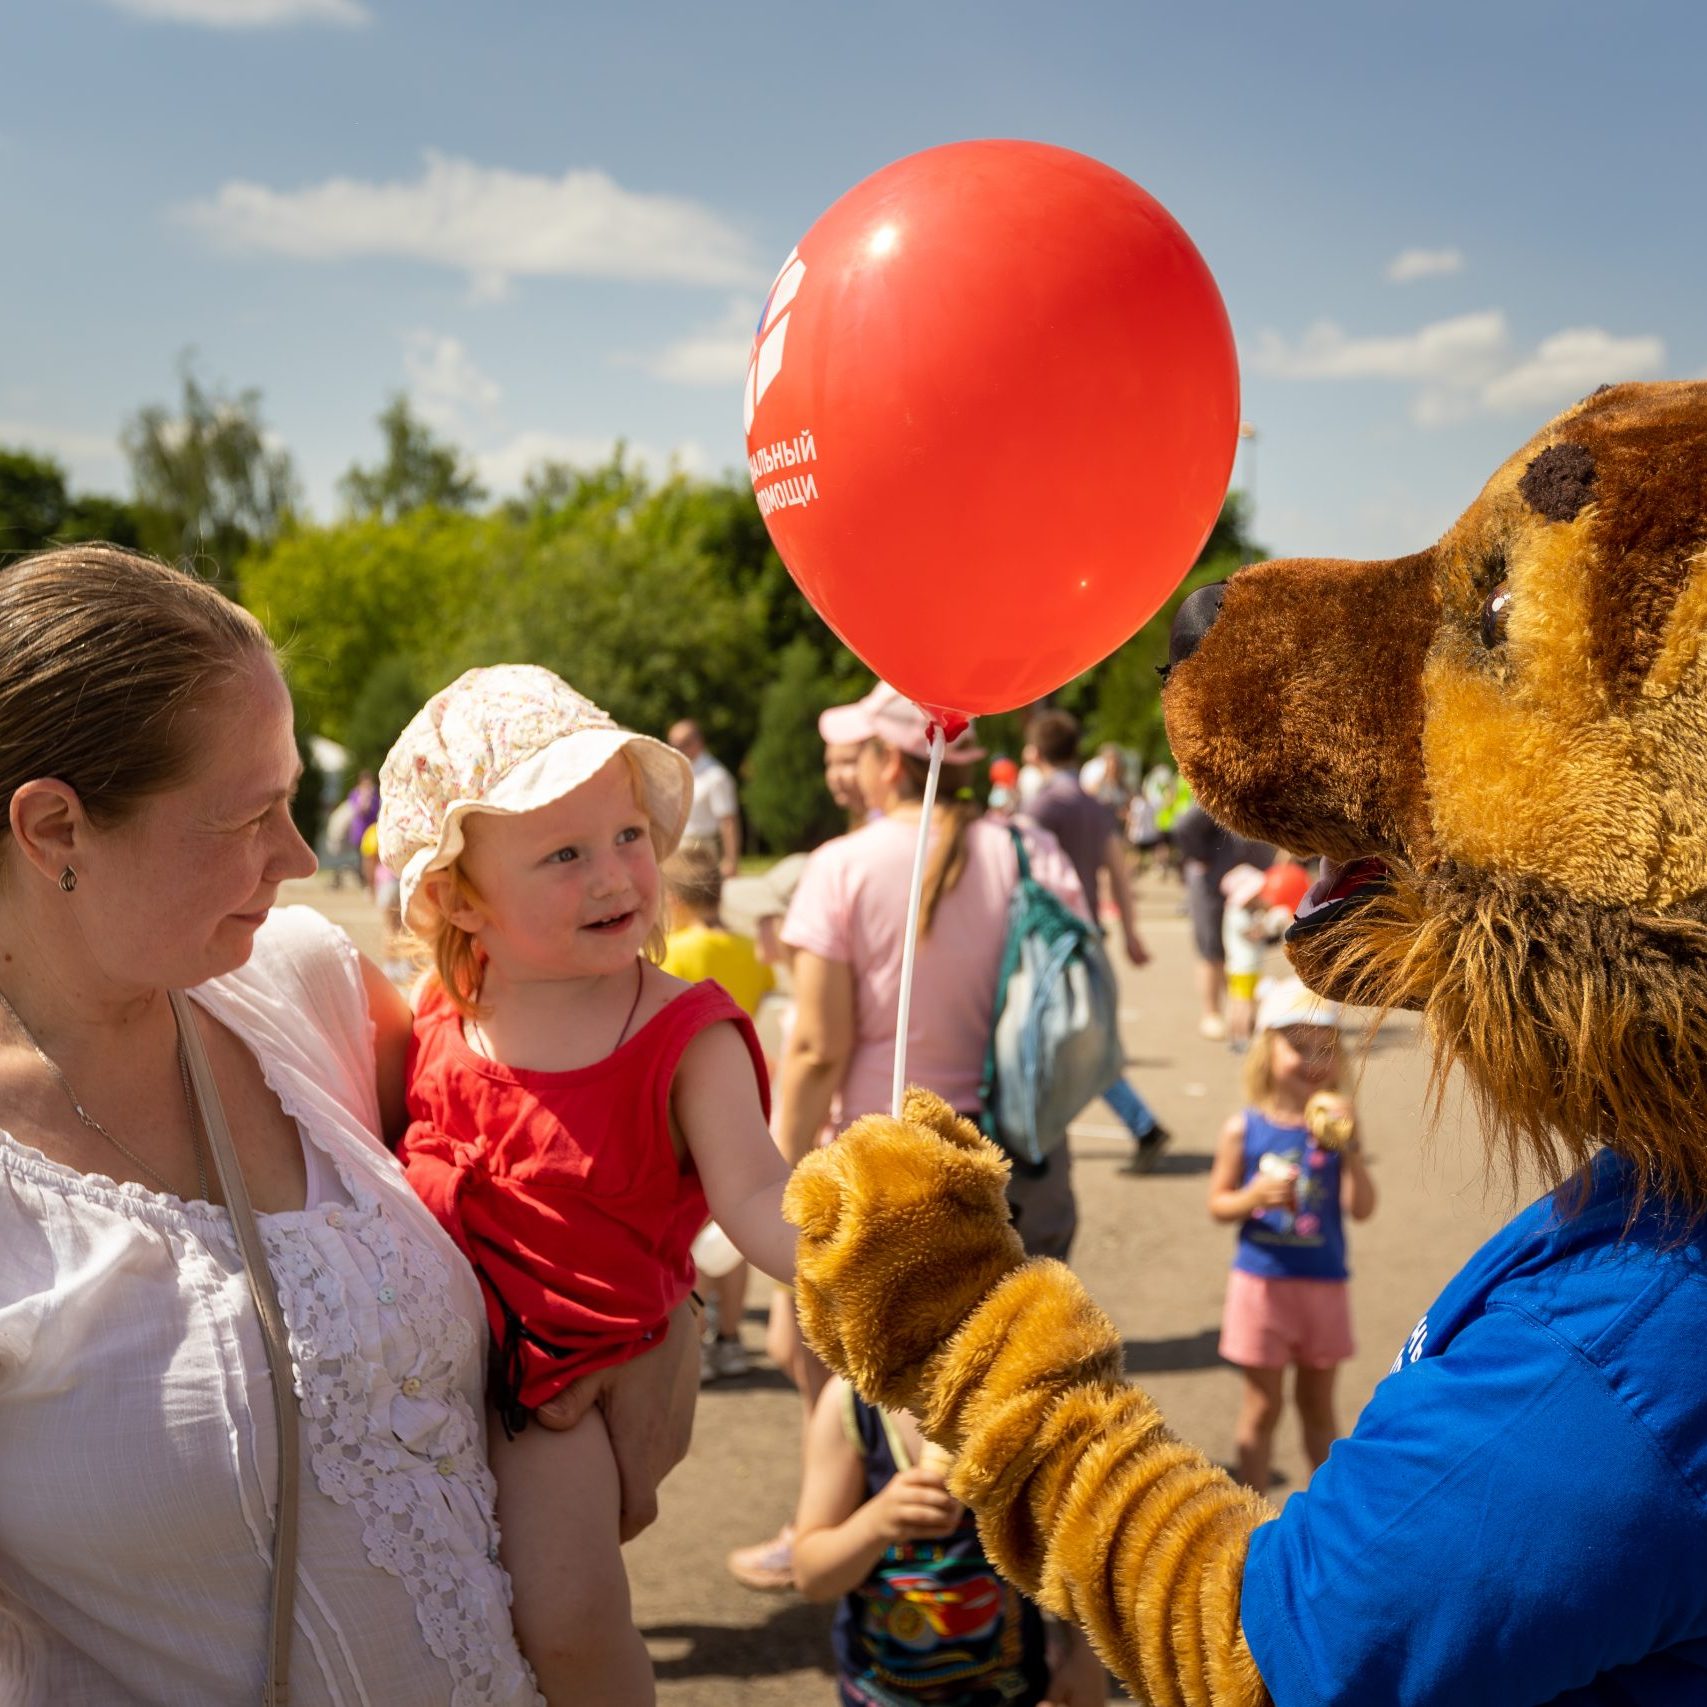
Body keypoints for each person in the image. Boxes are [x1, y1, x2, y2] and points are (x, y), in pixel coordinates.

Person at [0, 545, 696, 1706]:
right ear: (55, 828)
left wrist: (660, 1330)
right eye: (250, 816)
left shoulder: (306, 984)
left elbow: (549, 1182)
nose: (302, 857)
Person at [380, 665, 796, 1707]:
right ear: (454, 898)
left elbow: (757, 1199)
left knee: (566, 1620)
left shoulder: (680, 1033)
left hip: (559, 1382)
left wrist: (876, 1262)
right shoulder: (434, 1012)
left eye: (626, 837)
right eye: (564, 854)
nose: (617, 876)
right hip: (428, 1376)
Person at [794, 1375, 1106, 1706]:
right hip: (881, 1693)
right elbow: (812, 1578)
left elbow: (1067, 1553)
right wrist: (875, 1524)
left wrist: (1084, 1657)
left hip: (1009, 1689)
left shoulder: (1030, 1402)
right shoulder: (850, 1405)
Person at [1206, 976, 1376, 1494]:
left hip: (1323, 1284)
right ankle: (1250, 1515)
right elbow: (1219, 1204)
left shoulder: (1336, 1125)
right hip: (1261, 1286)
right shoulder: (1245, 1127)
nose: (1312, 1059)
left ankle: (1322, 1523)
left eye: (1325, 1047)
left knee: (1320, 1410)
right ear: (1265, 1049)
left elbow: (1361, 1208)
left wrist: (1349, 1148)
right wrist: (1253, 1196)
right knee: (1261, 1407)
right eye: (1296, 1045)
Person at [1022, 709, 1169, 1172]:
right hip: (1088, 935)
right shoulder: (1091, 805)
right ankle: (1141, 1125)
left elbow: (1020, 875)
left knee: (1052, 1037)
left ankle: (1034, 1142)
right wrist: (1129, 933)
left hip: (1050, 940)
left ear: (1034, 753)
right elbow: (1118, 874)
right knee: (1085, 1036)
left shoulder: (1044, 807)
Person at [660, 841, 776, 1382]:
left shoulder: (674, 954)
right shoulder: (747, 948)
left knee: (695, 1223)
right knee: (736, 1226)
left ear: (673, 900)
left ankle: (701, 1337)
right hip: (747, 1085)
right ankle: (731, 1336)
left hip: (687, 1096)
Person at [1170, 802, 1272, 1040]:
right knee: (1211, 947)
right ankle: (1211, 1012)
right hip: (1212, 881)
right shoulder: (1219, 794)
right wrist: (1201, 857)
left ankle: (1238, 1010)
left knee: (1243, 950)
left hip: (1249, 883)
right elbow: (1184, 827)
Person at [668, 717, 741, 877]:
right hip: (676, 847)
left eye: (683, 743)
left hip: (701, 849)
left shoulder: (716, 775)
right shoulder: (676, 772)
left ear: (698, 742)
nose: (677, 749)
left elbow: (728, 821)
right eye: (673, 744)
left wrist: (731, 860)